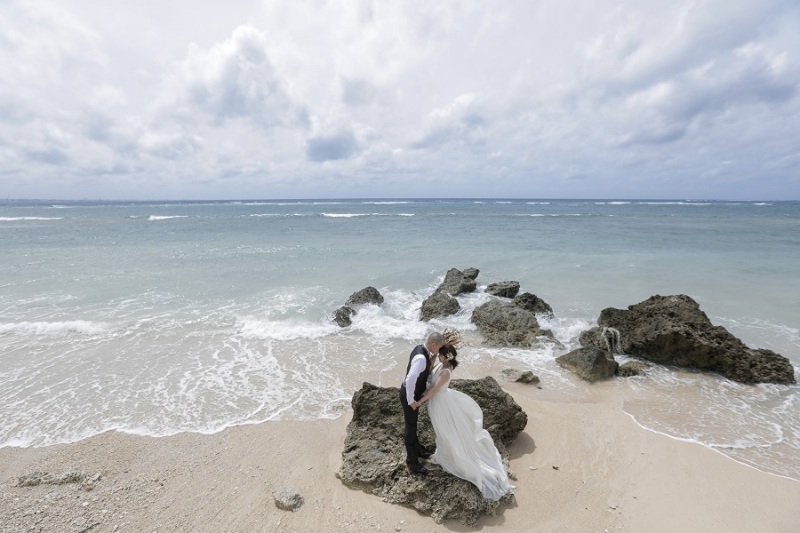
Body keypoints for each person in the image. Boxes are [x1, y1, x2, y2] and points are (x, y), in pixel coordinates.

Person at [411, 343, 515, 500]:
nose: (437, 356)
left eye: (440, 354)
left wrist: (419, 402)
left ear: (446, 357)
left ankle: (452, 458)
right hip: (439, 402)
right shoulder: (442, 365)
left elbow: (433, 390)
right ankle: (445, 454)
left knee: (445, 432)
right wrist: (432, 361)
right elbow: (431, 374)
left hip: (441, 404)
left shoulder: (446, 372)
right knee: (442, 432)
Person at [400, 331, 445, 475]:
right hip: (410, 397)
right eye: (440, 347)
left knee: (413, 424)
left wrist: (431, 363)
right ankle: (412, 462)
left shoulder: (423, 351)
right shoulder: (421, 358)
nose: (440, 350)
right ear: (433, 344)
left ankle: (418, 450)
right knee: (410, 427)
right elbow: (410, 379)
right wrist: (411, 401)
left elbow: (421, 373)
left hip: (413, 395)